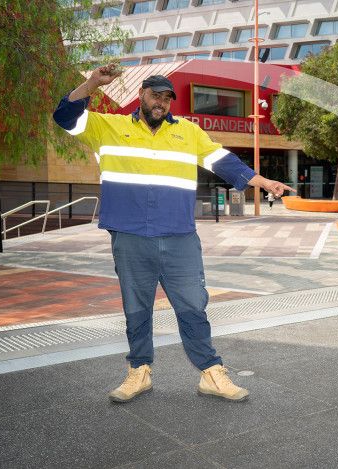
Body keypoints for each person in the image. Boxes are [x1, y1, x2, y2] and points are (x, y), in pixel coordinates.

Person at [53, 64, 295, 404]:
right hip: (130, 235)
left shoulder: (189, 132)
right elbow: (65, 117)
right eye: (155, 95)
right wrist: (92, 82)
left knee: (193, 305)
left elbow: (225, 162)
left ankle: (211, 372)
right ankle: (139, 371)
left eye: (167, 98)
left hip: (179, 237)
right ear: (141, 96)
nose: (161, 102)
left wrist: (265, 182)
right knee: (136, 308)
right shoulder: (108, 126)